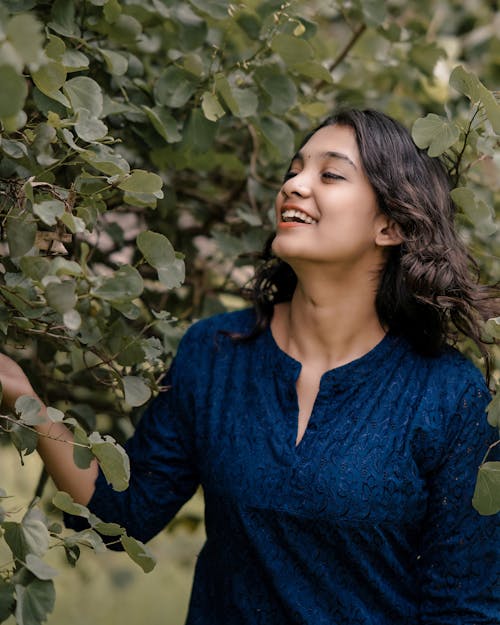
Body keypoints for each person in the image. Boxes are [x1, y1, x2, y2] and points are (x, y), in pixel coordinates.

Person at [0, 108, 498, 624]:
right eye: (293, 170)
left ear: (390, 225)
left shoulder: (450, 397)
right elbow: (121, 514)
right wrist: (25, 400)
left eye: (329, 174)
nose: (295, 185)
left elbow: (464, 610)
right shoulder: (216, 352)